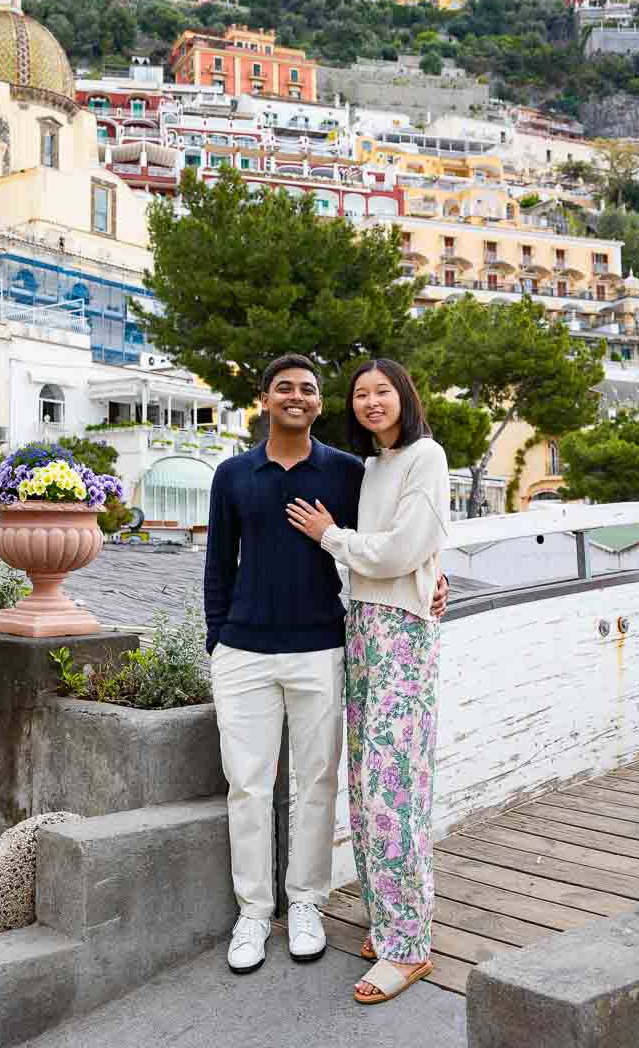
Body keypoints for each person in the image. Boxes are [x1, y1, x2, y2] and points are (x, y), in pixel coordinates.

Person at [205, 353, 448, 976]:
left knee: (317, 786)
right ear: (264, 398)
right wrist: (217, 640)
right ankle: (255, 913)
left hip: (322, 648)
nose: (297, 396)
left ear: (318, 403)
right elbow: (216, 568)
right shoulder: (233, 474)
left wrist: (432, 575)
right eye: (283, 387)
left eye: (308, 389)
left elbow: (405, 530)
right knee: (248, 788)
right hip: (244, 653)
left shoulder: (348, 472)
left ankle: (307, 903)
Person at [286, 358, 450, 1005]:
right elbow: (410, 551)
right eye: (361, 394)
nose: (372, 402)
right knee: (367, 784)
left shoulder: (425, 455)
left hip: (401, 634)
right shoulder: (374, 468)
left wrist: (332, 537)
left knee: (394, 792)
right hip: (364, 629)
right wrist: (418, 569)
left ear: (404, 395)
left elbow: (405, 549)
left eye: (383, 391)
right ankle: (392, 920)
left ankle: (409, 947)